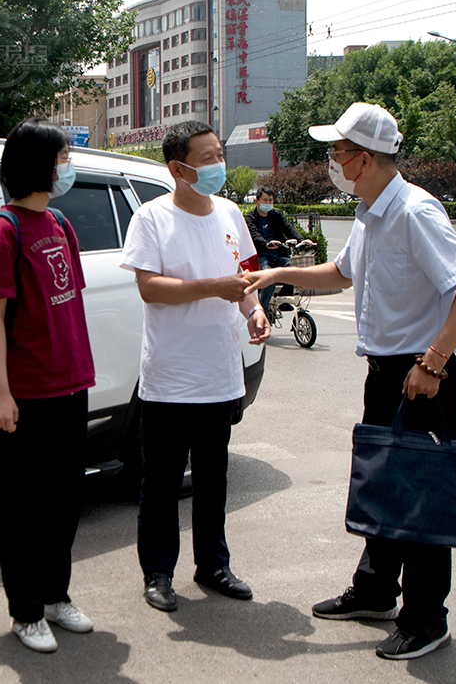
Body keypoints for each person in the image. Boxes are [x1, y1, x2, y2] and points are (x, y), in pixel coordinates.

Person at [242, 102, 456, 661]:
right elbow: (341, 273)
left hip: (421, 376)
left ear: (361, 160)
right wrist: (278, 272)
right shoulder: (369, 211)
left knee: (421, 498)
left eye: (335, 152)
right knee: (383, 484)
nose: (330, 161)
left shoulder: (413, 211)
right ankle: (377, 590)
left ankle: (428, 618)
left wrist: (433, 362)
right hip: (385, 373)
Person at [120, 120, 271, 613]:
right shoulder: (151, 218)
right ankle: (158, 574)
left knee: (214, 476)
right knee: (162, 482)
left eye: (218, 154)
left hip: (219, 372)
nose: (217, 165)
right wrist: (212, 287)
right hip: (169, 376)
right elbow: (150, 288)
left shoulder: (229, 212)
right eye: (206, 158)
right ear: (178, 168)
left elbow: (245, 278)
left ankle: (214, 565)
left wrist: (255, 310)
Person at [0, 118, 96, 654]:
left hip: (70, 385)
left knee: (64, 498)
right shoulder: (3, 231)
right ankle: (26, 611)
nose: (67, 164)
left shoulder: (60, 223)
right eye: (62, 155)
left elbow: (68, 301)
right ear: (37, 164)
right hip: (23, 394)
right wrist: (1, 392)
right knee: (24, 506)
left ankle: (55, 594)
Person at [243, 186, 310, 320]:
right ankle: (263, 310)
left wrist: (302, 240)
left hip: (279, 255)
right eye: (265, 200)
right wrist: (266, 243)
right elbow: (254, 234)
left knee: (294, 269)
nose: (268, 203)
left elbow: (289, 228)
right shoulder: (250, 218)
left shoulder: (276, 215)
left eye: (270, 200)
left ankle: (283, 300)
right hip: (262, 256)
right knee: (268, 277)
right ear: (257, 201)